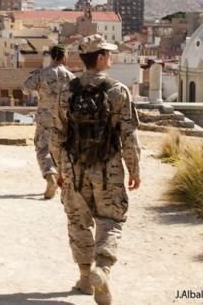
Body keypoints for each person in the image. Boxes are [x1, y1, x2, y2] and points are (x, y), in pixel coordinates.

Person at [50, 34, 141, 305]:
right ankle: (103, 268)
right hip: (108, 169)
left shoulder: (67, 90)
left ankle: (85, 277)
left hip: (73, 168)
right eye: (108, 53)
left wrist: (60, 169)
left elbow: (56, 135)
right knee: (110, 220)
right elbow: (128, 136)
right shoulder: (117, 91)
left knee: (77, 222)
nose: (111, 58)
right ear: (100, 58)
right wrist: (134, 169)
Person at [23, 43, 76, 199]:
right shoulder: (71, 77)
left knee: (42, 149)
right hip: (64, 119)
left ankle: (50, 175)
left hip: (45, 117)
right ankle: (62, 181)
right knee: (61, 150)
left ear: (52, 57)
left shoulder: (42, 74)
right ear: (64, 57)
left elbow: (26, 88)